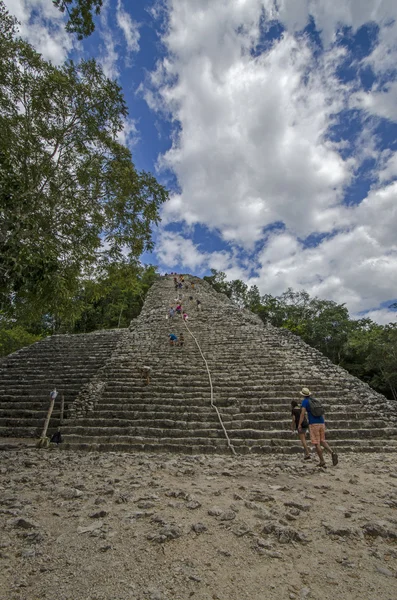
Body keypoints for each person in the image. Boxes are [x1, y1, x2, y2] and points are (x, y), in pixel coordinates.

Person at [298, 387, 338, 468]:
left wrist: (299, 424)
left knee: (316, 443)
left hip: (313, 424)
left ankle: (322, 461)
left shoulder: (305, 402)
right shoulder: (315, 400)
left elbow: (302, 414)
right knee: (322, 440)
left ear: (302, 395)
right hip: (321, 422)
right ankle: (332, 453)